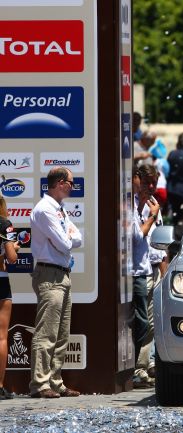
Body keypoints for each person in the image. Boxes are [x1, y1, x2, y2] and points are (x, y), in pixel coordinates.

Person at [29, 167, 82, 398]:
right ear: (61, 183)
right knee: (47, 332)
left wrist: (68, 237)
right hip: (49, 275)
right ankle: (40, 384)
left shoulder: (60, 209)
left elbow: (77, 238)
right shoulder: (44, 210)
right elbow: (65, 243)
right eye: (71, 182)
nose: (73, 186)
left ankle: (55, 381)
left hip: (62, 274)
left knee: (61, 334)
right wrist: (68, 237)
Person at [131, 164, 161, 388]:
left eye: (154, 182)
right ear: (137, 179)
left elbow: (158, 245)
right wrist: (151, 217)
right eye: (147, 181)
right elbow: (135, 237)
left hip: (149, 270)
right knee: (141, 323)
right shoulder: (131, 205)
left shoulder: (153, 206)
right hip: (134, 273)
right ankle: (137, 368)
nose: (151, 186)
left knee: (150, 323)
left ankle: (144, 366)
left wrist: (163, 271)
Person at [0, 193, 19, 399]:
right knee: (1, 336)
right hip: (1, 280)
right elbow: (12, 258)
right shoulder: (5, 224)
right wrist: (13, 248)